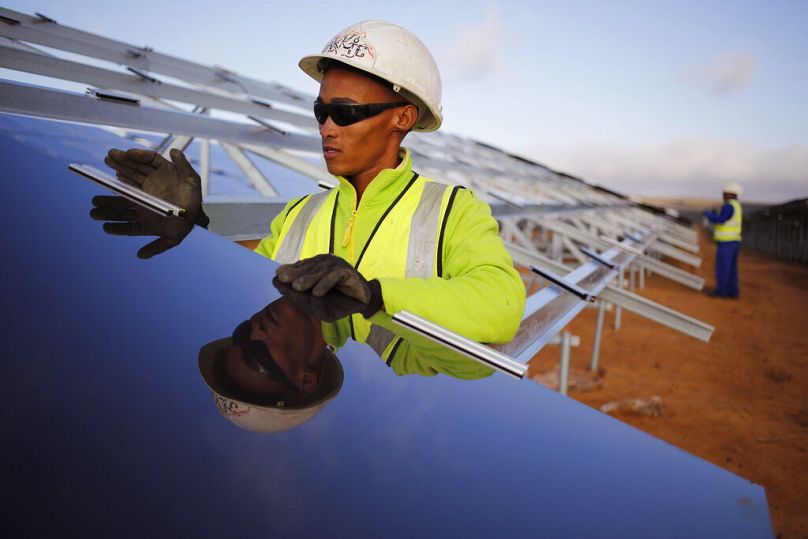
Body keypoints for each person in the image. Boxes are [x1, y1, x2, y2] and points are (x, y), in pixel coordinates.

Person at [96, 20, 526, 375]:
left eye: (346, 112)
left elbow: (501, 307)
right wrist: (194, 232)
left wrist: (376, 295)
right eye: (321, 111)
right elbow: (248, 297)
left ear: (403, 117)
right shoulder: (300, 214)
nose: (327, 127)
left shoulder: (452, 209)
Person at [703, 181, 743, 299]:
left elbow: (721, 219)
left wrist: (708, 214)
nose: (723, 195)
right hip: (734, 241)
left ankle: (721, 291)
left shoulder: (729, 206)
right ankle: (733, 292)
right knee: (731, 269)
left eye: (725, 193)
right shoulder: (737, 205)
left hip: (727, 242)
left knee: (723, 268)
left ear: (731, 194)